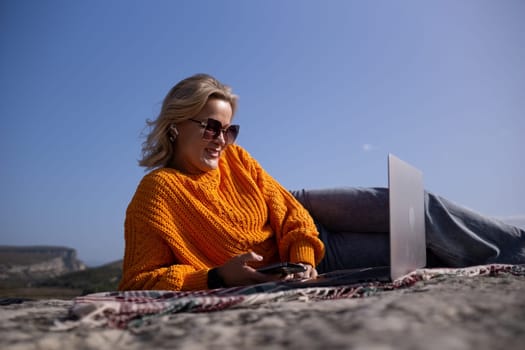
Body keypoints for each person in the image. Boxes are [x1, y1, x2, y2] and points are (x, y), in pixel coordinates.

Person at [119, 73, 525, 292]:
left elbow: (290, 210)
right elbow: (138, 281)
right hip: (314, 256)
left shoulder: (237, 159)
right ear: (175, 127)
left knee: (416, 207)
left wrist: (302, 256)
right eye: (210, 127)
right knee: (420, 253)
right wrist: (216, 277)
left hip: (304, 225)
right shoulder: (156, 195)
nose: (221, 140)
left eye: (229, 129)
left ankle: (520, 246)